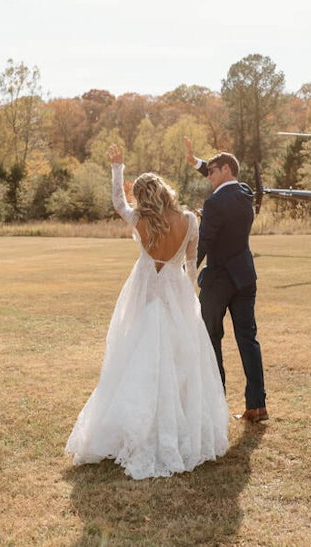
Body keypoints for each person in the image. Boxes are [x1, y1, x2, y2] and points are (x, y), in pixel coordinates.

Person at [65, 144, 230, 479]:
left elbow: (117, 203)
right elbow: (190, 262)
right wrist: (187, 294)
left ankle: (140, 425)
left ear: (143, 197)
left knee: (139, 355)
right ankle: (177, 424)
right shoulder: (188, 221)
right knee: (180, 358)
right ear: (166, 191)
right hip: (176, 289)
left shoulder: (139, 219)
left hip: (145, 290)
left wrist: (117, 167)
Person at [185, 138, 268, 423]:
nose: (208, 176)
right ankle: (257, 406)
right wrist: (197, 162)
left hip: (219, 281)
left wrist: (185, 274)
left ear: (227, 170)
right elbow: (227, 186)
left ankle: (216, 404)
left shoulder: (214, 203)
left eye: (211, 171)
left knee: (210, 339)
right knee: (248, 340)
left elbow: (204, 242)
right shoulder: (245, 194)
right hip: (245, 277)